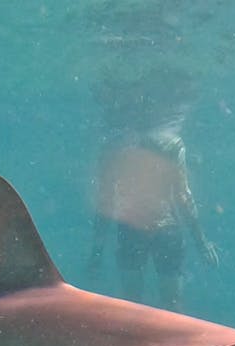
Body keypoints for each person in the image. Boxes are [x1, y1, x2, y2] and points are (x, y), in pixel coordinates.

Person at [87, 65, 219, 313]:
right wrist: (201, 242)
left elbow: (105, 200)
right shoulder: (170, 144)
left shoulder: (113, 148)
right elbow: (183, 197)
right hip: (165, 229)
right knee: (172, 307)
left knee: (131, 307)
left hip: (131, 229)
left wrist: (96, 252)